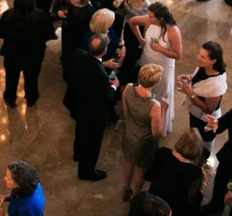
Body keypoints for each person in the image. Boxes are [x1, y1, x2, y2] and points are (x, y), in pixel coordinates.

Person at [63, 34, 118, 181]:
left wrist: (103, 65)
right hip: (92, 113)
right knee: (92, 144)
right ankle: (86, 172)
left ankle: (78, 153)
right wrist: (114, 87)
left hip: (76, 104)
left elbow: (90, 65)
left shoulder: (78, 54)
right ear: (105, 51)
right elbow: (105, 99)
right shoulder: (100, 76)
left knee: (79, 130)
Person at [130, 2, 182, 135]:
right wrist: (141, 39)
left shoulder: (172, 31)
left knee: (161, 90)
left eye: (151, 16)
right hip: (147, 59)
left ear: (161, 19)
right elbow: (132, 21)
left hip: (163, 65)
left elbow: (178, 55)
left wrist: (160, 49)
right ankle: (145, 115)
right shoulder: (148, 21)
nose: (148, 18)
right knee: (146, 85)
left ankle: (160, 120)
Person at [0, 0, 51, 107]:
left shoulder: (8, 15)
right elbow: (49, 33)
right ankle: (31, 97)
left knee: (11, 78)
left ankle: (10, 98)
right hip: (34, 54)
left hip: (13, 54)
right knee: (32, 78)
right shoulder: (40, 15)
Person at [121, 64, 167, 202]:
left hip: (129, 134)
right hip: (143, 141)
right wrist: (164, 110)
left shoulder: (128, 87)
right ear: (156, 83)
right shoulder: (154, 105)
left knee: (129, 162)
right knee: (141, 169)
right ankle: (135, 196)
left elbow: (126, 112)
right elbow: (156, 131)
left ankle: (126, 189)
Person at [178, 42, 227, 158]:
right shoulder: (203, 66)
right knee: (194, 138)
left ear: (213, 61)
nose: (198, 58)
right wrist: (190, 77)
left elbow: (209, 109)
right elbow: (201, 79)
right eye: (199, 54)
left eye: (203, 57)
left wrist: (190, 93)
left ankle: (203, 165)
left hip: (205, 120)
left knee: (204, 146)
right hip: (195, 113)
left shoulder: (216, 84)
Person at [146, 129, 206, 216]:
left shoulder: (162, 152)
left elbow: (151, 175)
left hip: (155, 200)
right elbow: (193, 202)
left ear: (180, 141)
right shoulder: (195, 172)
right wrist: (204, 183)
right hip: (174, 208)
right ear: (197, 149)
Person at [115, 0, 151, 87]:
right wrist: (119, 2)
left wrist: (142, 39)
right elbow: (124, 2)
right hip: (127, 26)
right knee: (127, 50)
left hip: (138, 30)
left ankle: (128, 77)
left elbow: (147, 23)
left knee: (133, 53)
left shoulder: (146, 3)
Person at [59, 0, 95, 81]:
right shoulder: (69, 2)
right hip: (67, 34)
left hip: (80, 38)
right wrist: (60, 13)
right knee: (66, 55)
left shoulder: (90, 10)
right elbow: (62, 8)